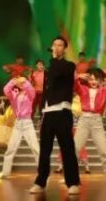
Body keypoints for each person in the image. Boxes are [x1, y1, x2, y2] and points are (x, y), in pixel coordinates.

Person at [31, 36, 81, 196]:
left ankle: (73, 183)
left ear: (64, 49)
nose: (56, 47)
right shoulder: (49, 69)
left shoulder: (69, 66)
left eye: (60, 45)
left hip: (62, 111)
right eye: (54, 44)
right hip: (48, 112)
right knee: (44, 150)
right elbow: (46, 90)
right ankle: (40, 182)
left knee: (67, 149)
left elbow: (59, 73)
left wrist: (53, 59)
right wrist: (42, 113)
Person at [73, 68, 106, 184]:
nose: (93, 82)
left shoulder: (104, 91)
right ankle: (70, 176)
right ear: (87, 80)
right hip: (84, 120)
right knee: (75, 149)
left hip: (97, 121)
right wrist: (78, 76)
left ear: (100, 80)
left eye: (96, 79)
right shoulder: (83, 89)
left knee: (104, 151)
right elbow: (74, 85)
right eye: (91, 79)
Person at [0, 77, 40, 179]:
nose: (20, 83)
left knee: (36, 148)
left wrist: (24, 81)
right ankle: (5, 172)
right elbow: (5, 90)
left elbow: (30, 88)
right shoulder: (14, 94)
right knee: (10, 149)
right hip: (17, 123)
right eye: (19, 82)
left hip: (27, 123)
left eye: (22, 82)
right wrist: (13, 81)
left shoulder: (30, 94)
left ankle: (43, 172)